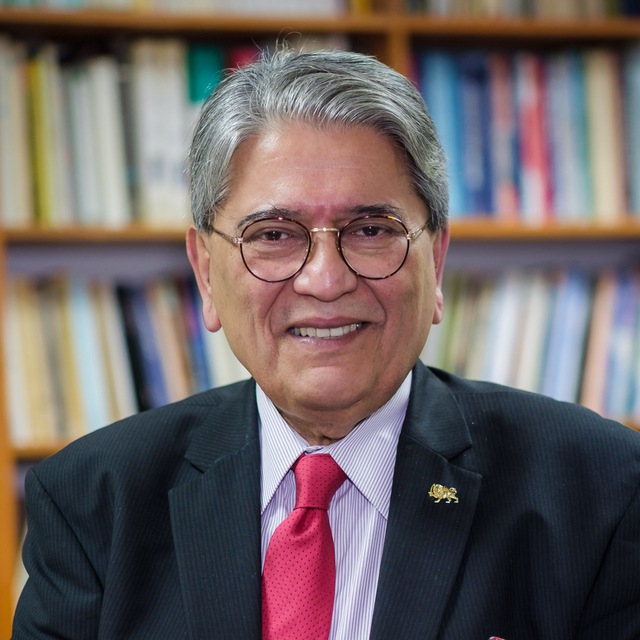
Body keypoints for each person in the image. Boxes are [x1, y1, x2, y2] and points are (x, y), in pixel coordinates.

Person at [12, 46, 640, 640]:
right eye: (273, 234)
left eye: (371, 229)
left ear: (436, 260)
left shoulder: (600, 490)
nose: (325, 279)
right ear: (205, 272)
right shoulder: (92, 501)